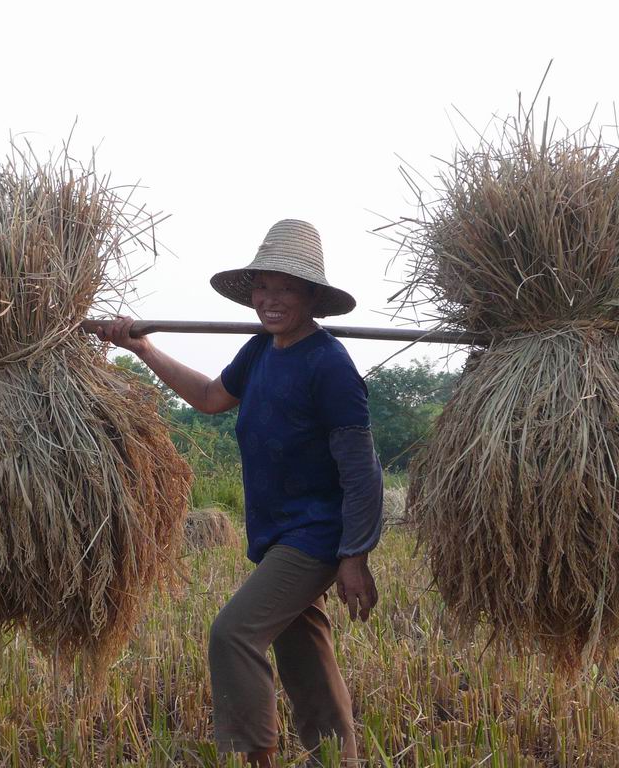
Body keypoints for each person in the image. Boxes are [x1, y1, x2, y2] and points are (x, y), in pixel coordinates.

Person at [96, 219, 383, 766]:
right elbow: (208, 397)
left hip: (317, 532)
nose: (270, 299)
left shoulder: (330, 366)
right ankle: (336, 757)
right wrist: (142, 349)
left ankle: (251, 757)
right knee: (300, 641)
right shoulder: (259, 352)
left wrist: (354, 555)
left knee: (234, 633)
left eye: (286, 288)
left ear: (313, 297)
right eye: (263, 286)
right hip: (279, 531)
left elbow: (361, 470)